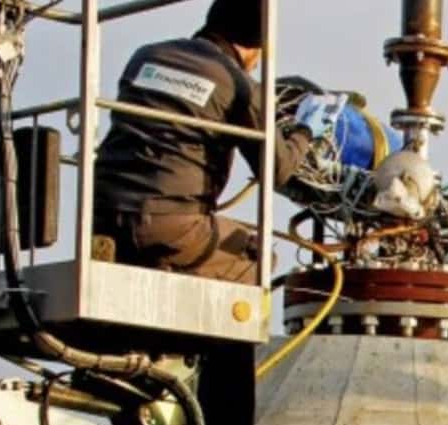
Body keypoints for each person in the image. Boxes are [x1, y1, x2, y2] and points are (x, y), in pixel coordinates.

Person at [92, 0, 310, 283]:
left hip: (101, 215)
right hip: (167, 226)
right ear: (255, 46)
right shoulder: (238, 83)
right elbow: (278, 170)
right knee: (255, 259)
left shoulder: (146, 57)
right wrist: (306, 131)